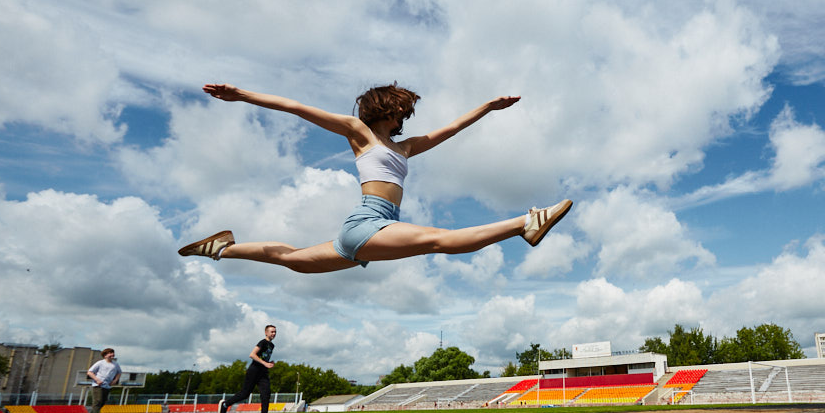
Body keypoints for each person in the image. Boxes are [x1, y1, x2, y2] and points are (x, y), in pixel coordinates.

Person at [178, 83, 572, 272]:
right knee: (438, 239)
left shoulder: (406, 147)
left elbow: (450, 129)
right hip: (367, 223)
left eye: (405, 113)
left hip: (377, 227)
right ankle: (525, 223)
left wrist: (486, 107)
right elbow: (296, 106)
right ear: (384, 108)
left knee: (293, 259)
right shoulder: (359, 133)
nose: (403, 117)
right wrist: (243, 95)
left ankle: (222, 248)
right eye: (399, 110)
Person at [218, 325, 278, 413]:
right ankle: (225, 404)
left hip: (263, 373)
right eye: (272, 332)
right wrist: (265, 363)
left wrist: (269, 363)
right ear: (266, 333)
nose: (274, 334)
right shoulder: (262, 342)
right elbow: (252, 355)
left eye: (275, 332)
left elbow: (263, 357)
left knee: (266, 394)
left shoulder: (272, 345)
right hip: (254, 371)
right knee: (245, 394)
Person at [85, 348, 121, 413]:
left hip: (107, 386)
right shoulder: (100, 363)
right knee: (97, 401)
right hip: (98, 385)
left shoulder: (115, 364)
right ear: (105, 355)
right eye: (110, 353)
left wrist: (115, 380)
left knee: (102, 402)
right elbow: (90, 372)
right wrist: (97, 379)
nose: (112, 354)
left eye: (113, 353)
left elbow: (119, 372)